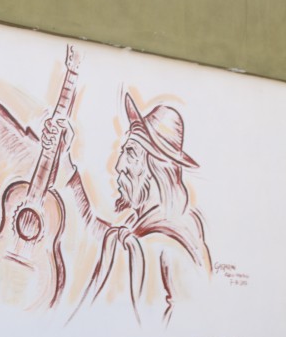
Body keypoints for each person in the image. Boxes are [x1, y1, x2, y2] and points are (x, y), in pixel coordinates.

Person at [54, 93, 212, 324]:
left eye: (130, 154)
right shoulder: (141, 231)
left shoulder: (168, 249)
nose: (119, 166)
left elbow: (174, 325)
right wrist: (65, 158)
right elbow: (99, 234)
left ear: (156, 166)